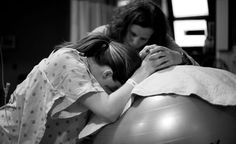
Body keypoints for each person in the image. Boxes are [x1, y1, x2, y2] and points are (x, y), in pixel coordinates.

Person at [0, 34, 159, 144]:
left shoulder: (86, 74)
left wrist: (136, 61)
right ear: (107, 74)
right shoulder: (69, 63)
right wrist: (142, 72)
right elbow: (109, 111)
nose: (111, 95)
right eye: (112, 90)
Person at [90, 0, 199, 71]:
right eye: (132, 34)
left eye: (143, 39)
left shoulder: (162, 39)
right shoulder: (104, 33)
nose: (135, 42)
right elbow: (78, 64)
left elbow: (197, 67)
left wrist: (179, 58)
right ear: (124, 26)